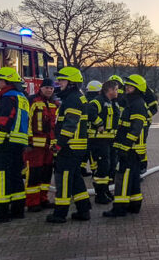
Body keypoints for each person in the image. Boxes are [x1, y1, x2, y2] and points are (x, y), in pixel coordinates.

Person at [46, 67, 92, 223]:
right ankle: (83, 210)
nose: (59, 83)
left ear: (72, 83)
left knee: (64, 179)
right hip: (76, 147)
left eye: (63, 80)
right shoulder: (76, 97)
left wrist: (59, 144)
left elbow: (70, 125)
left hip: (70, 147)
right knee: (75, 179)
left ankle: (60, 213)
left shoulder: (72, 99)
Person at [0, 67, 30, 223]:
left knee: (3, 178)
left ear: (8, 82)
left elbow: (4, 121)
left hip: (5, 143)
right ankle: (17, 210)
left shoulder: (7, 98)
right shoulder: (21, 97)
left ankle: (1, 212)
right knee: (16, 177)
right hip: (18, 144)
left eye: (0, 81)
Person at [103, 74, 148, 217]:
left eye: (130, 86)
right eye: (126, 85)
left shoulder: (137, 104)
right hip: (130, 148)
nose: (127, 88)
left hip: (129, 149)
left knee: (123, 177)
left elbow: (136, 128)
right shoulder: (132, 102)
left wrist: (125, 146)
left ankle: (120, 208)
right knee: (133, 177)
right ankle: (135, 204)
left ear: (138, 88)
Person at [24, 78, 59, 213]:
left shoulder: (55, 104)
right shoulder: (33, 102)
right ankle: (32, 202)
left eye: (51, 88)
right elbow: (27, 121)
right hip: (35, 146)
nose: (49, 90)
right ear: (41, 88)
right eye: (47, 88)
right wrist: (28, 141)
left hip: (49, 146)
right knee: (34, 173)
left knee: (46, 174)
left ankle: (43, 199)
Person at [87, 80, 120, 205]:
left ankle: (105, 191)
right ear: (110, 90)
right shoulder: (98, 101)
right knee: (102, 167)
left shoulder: (111, 102)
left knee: (109, 167)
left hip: (109, 140)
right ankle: (100, 195)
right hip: (99, 140)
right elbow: (90, 111)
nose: (117, 92)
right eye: (116, 89)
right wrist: (99, 124)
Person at [107, 75, 126, 184]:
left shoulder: (117, 98)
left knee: (114, 155)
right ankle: (112, 176)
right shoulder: (114, 98)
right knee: (114, 154)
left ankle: (112, 176)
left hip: (116, 130)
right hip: (117, 130)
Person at [80, 81, 102, 177]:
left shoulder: (83, 99)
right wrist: (100, 124)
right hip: (93, 132)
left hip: (82, 131)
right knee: (93, 153)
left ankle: (81, 169)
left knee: (85, 152)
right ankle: (95, 171)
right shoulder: (96, 102)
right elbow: (93, 116)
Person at [140, 86, 158, 174]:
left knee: (141, 146)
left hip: (144, 123)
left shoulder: (147, 92)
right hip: (132, 124)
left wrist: (144, 116)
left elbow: (154, 108)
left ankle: (142, 166)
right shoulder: (127, 92)